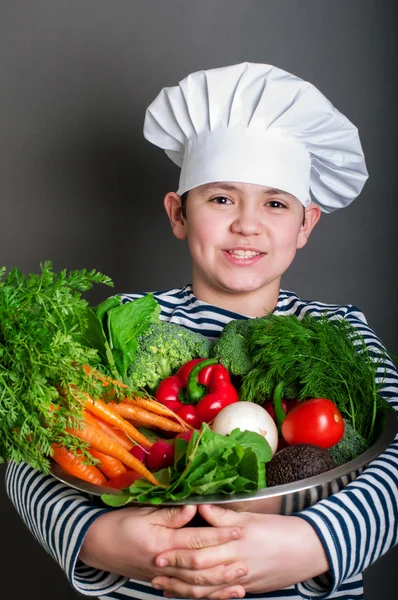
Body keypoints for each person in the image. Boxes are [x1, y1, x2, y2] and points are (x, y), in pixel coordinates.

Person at [5, 63, 398, 600]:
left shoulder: (339, 330)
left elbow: (394, 457)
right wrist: (97, 537)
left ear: (306, 225)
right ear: (178, 213)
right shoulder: (123, 321)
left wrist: (311, 545)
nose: (247, 223)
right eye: (220, 198)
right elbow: (28, 447)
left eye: (276, 203)